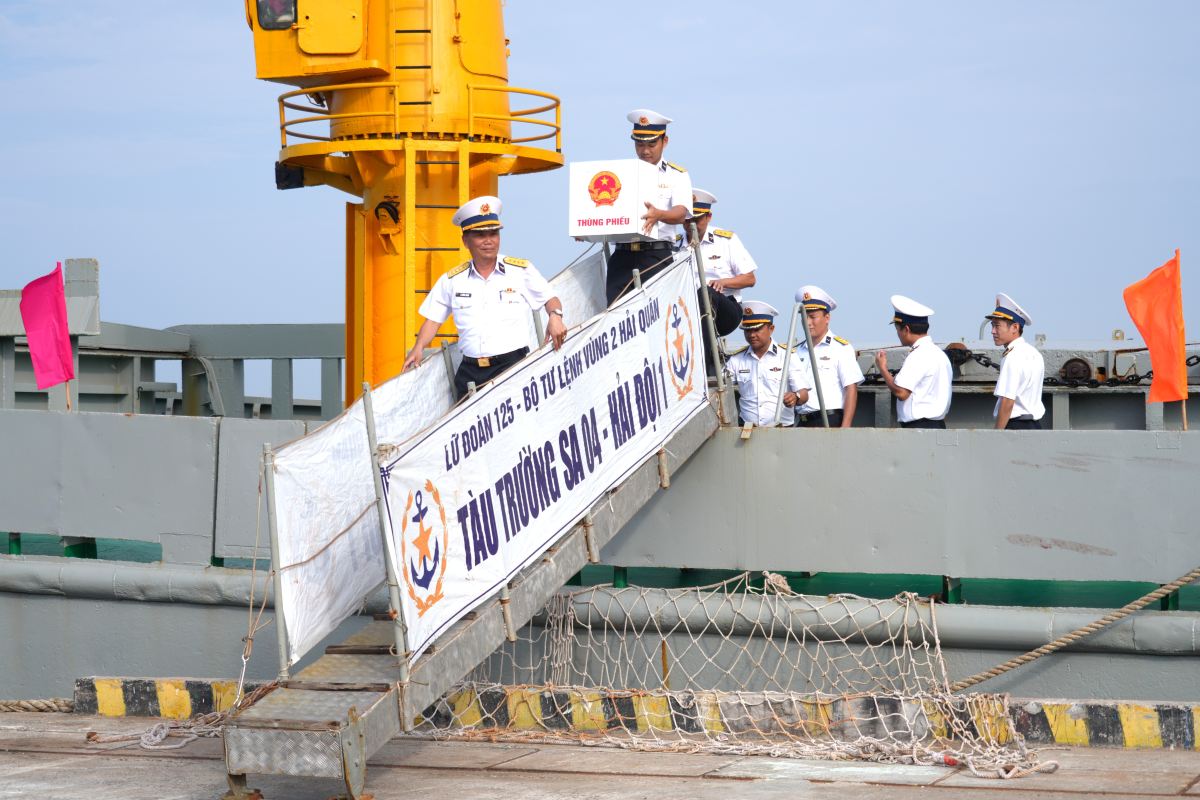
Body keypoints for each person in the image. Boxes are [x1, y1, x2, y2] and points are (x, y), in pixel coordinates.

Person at [402, 196, 567, 400]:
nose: (488, 240)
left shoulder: (520, 270)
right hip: (471, 374)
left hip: (512, 367)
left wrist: (555, 316)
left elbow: (551, 299)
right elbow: (433, 320)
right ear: (465, 241)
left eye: (493, 233)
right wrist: (418, 348)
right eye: (480, 235)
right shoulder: (452, 280)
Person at [605, 109, 693, 304]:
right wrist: (587, 229)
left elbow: (680, 214)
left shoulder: (676, 175)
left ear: (665, 141)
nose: (645, 150)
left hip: (656, 255)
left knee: (659, 314)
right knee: (615, 313)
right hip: (622, 255)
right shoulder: (621, 174)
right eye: (639, 143)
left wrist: (658, 215)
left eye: (652, 143)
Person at [685, 188, 757, 337]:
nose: (691, 225)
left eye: (696, 220)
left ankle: (707, 353)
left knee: (707, 293)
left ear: (708, 217)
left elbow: (750, 279)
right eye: (687, 219)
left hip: (725, 308)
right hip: (686, 307)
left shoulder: (725, 241)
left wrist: (723, 282)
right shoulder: (673, 245)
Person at [725, 302, 810, 427]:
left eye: (757, 329)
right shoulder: (736, 360)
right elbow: (720, 387)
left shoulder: (787, 356)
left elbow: (804, 394)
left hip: (782, 431)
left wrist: (795, 397)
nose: (752, 335)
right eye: (747, 330)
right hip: (748, 432)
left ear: (771, 329)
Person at [874, 295, 953, 428]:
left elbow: (901, 392)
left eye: (897, 329)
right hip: (937, 425)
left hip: (919, 427)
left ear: (906, 329)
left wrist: (882, 368)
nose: (897, 334)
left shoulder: (918, 355)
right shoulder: (939, 354)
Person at [792, 285, 864, 428]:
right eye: (804, 316)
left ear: (827, 318)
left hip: (830, 421)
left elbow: (851, 388)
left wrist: (845, 427)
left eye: (812, 317)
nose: (807, 322)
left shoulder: (841, 348)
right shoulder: (796, 352)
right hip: (801, 422)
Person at [985, 293, 1045, 429]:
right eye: (992, 326)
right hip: (1034, 426)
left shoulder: (1012, 356)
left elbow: (1007, 402)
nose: (993, 331)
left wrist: (997, 434)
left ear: (1015, 327)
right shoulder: (1034, 353)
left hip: (1015, 426)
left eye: (997, 326)